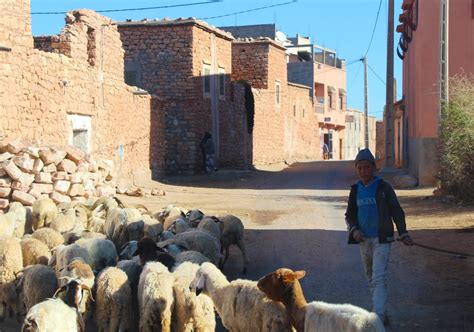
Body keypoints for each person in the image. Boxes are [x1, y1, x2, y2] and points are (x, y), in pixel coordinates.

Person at [345, 148, 413, 325]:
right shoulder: (355, 189)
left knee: (378, 277)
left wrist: (403, 232)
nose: (363, 171)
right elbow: (350, 215)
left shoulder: (384, 188)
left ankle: (378, 318)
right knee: (370, 277)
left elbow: (396, 211)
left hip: (382, 240)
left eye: (366, 167)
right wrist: (354, 230)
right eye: (359, 168)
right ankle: (382, 310)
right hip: (363, 240)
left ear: (374, 168)